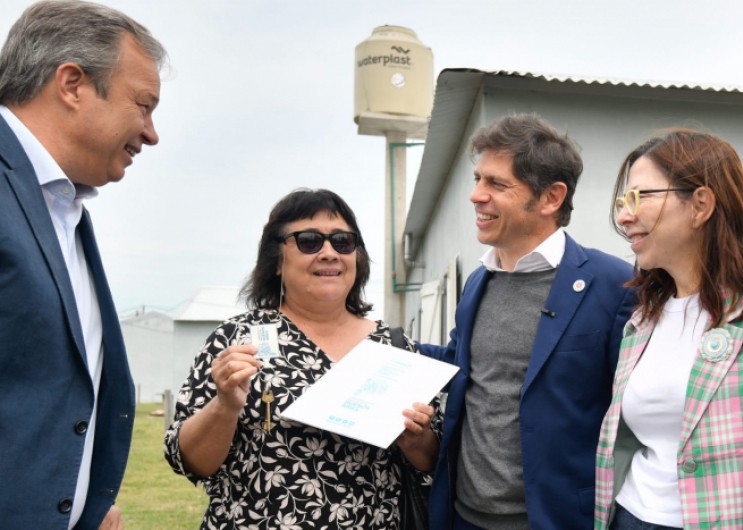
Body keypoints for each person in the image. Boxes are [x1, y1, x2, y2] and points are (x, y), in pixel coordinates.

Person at [164, 188, 439, 529]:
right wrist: (225, 407)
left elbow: (431, 461)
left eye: (343, 241)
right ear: (277, 261)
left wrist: (418, 439)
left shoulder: (394, 347)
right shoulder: (237, 340)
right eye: (309, 241)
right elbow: (189, 461)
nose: (329, 253)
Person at [418, 113, 636, 530]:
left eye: (496, 184)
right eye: (478, 179)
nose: (476, 196)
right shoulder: (478, 282)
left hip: (556, 520)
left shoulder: (615, 285)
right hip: (463, 517)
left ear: (551, 197)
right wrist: (371, 340)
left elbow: (634, 419)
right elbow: (458, 363)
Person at [0, 1, 166, 528]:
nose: (151, 132)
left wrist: (75, 502)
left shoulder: (63, 209)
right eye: (143, 105)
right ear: (72, 84)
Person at [595, 129, 743, 529]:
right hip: (630, 516)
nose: (624, 216)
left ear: (700, 204)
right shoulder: (642, 322)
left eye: (639, 197)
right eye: (622, 202)